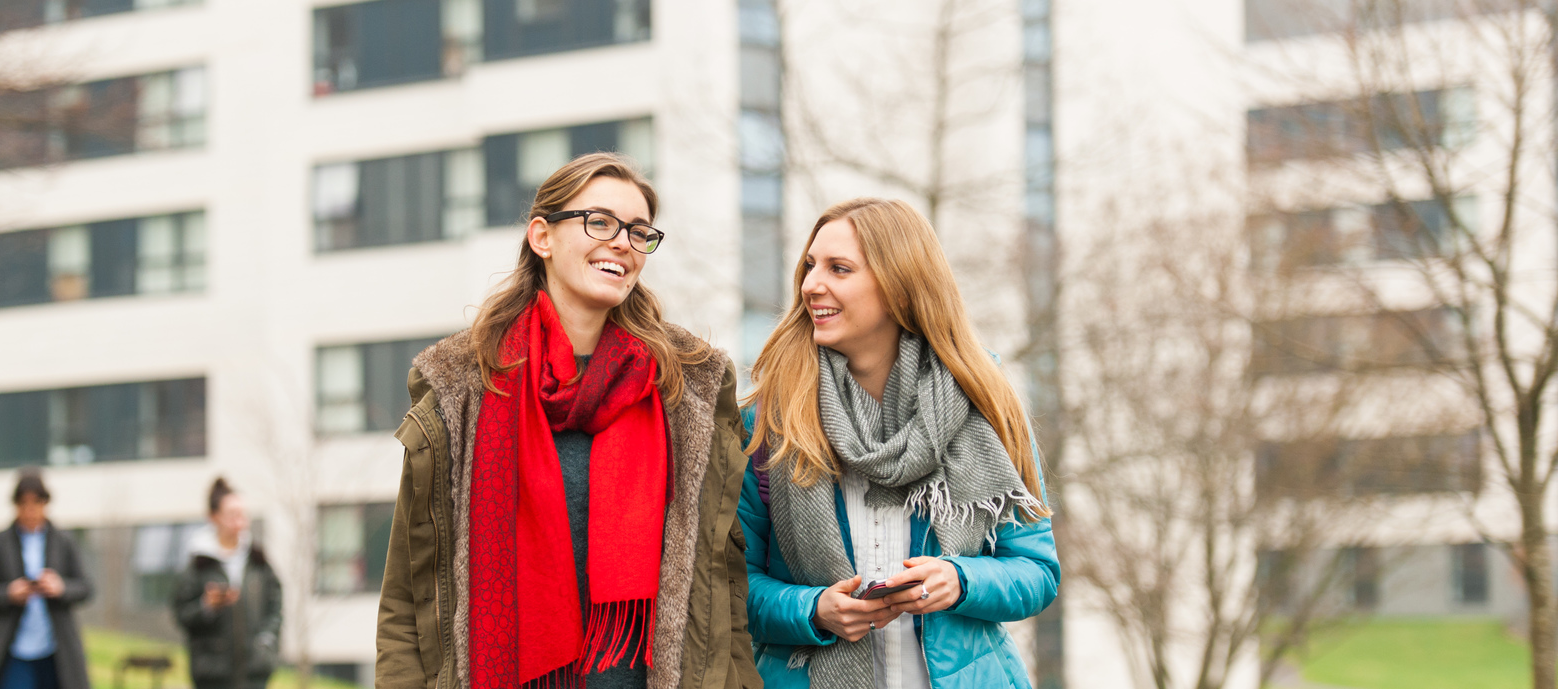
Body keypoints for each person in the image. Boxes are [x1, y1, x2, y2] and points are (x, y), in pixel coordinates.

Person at [375, 151, 761, 689]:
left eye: (639, 232)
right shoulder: (462, 385)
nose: (622, 243)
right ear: (543, 237)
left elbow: (723, 589)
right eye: (599, 222)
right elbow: (405, 594)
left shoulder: (687, 388)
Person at [739, 198, 1060, 689]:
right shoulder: (767, 421)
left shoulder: (986, 404)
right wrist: (812, 610)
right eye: (810, 267)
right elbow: (731, 585)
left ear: (899, 288)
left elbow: (1037, 570)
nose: (810, 285)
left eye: (839, 269)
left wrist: (961, 580)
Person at [0, 468, 94, 689]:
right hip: (14, 648)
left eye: (35, 503)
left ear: (45, 503)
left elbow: (86, 587)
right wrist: (8, 593)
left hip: (56, 648)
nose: (30, 511)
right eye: (23, 504)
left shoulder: (63, 542)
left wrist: (60, 587)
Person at [172, 478, 283, 689]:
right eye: (232, 515)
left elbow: (275, 605)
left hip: (254, 673)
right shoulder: (198, 565)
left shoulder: (258, 561)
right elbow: (181, 614)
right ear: (214, 517)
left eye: (242, 515)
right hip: (212, 675)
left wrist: (267, 642)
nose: (239, 522)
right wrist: (207, 606)